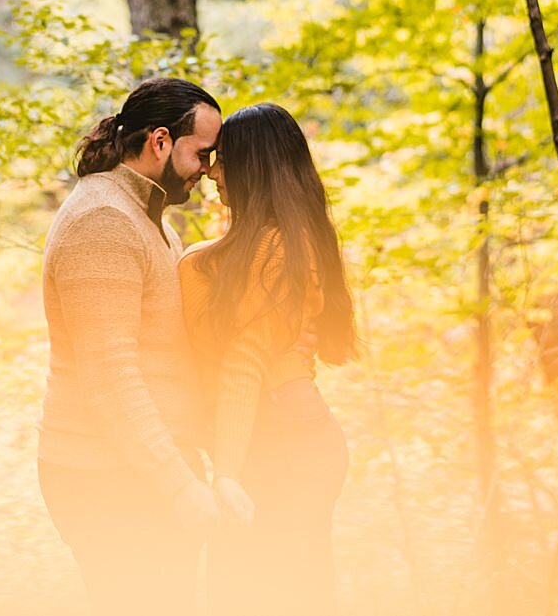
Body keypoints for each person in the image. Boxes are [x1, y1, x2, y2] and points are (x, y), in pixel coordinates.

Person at [37, 77, 223, 616]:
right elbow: (109, 375)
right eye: (202, 154)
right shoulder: (103, 221)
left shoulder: (151, 223)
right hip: (106, 478)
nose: (209, 170)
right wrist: (180, 486)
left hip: (140, 472)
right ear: (160, 142)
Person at [180, 102, 357, 616]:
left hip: (279, 440)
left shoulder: (272, 248)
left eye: (222, 158)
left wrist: (228, 472)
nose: (212, 172)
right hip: (295, 433)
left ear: (252, 165)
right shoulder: (293, 241)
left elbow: (244, 360)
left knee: (248, 593)